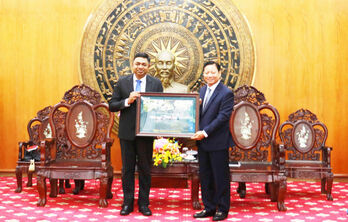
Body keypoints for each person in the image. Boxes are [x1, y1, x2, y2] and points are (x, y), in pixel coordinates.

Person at [109, 52, 163, 216]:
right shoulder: (123, 82)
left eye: (144, 64)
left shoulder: (156, 83)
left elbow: (161, 105)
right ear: (132, 64)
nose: (140, 67)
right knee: (127, 169)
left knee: (146, 169)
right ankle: (127, 203)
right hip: (126, 133)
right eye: (137, 63)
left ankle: (144, 204)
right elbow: (112, 105)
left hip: (147, 132)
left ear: (148, 66)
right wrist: (127, 101)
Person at [191, 61, 234, 221]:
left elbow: (222, 117)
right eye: (207, 72)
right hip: (202, 142)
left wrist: (205, 132)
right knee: (206, 176)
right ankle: (209, 207)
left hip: (217, 142)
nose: (209, 75)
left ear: (220, 74)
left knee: (220, 177)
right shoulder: (202, 91)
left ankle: (222, 209)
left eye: (213, 72)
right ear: (203, 75)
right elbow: (198, 114)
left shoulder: (226, 93)